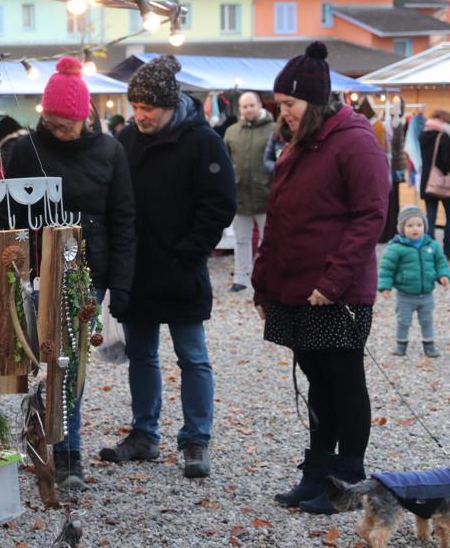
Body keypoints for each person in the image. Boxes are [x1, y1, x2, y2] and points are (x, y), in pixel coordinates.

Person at [253, 42, 390, 515]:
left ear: (313, 101)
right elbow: (281, 218)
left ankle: (348, 480)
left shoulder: (354, 140)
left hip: (337, 292)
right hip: (296, 288)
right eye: (280, 105)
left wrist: (332, 282)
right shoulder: (298, 147)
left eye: (288, 105)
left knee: (343, 379)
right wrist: (263, 282)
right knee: (317, 378)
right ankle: (318, 471)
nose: (282, 113)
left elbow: (370, 216)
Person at [0, 56, 136, 489]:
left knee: (68, 363)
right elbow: (8, 216)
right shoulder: (24, 150)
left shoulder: (110, 151)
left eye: (66, 124)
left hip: (86, 273)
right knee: (34, 358)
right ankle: (41, 436)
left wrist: (122, 285)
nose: (59, 131)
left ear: (84, 117)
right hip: (36, 269)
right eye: (52, 123)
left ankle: (67, 450)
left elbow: (124, 218)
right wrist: (0, 276)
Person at [99, 55, 236, 479]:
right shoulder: (127, 139)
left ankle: (196, 439)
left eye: (149, 110)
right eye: (136, 108)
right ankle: (145, 434)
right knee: (141, 354)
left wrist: (189, 252)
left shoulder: (203, 141)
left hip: (181, 269)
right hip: (136, 269)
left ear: (170, 106)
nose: (140, 116)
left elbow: (220, 204)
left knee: (192, 356)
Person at [378, 205, 449, 358]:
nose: (415, 228)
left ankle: (429, 344)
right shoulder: (396, 248)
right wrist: (385, 286)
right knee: (403, 320)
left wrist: (443, 275)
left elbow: (440, 262)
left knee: (427, 320)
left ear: (425, 226)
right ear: (402, 228)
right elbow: (386, 268)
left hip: (427, 295)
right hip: (405, 295)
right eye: (410, 225)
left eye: (419, 224)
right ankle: (401, 344)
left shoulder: (432, 246)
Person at [224, 92, 275, 292]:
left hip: (266, 194)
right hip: (240, 195)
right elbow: (225, 162)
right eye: (244, 106)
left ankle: (268, 277)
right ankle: (241, 277)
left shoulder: (274, 129)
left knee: (269, 240)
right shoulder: (231, 132)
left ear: (259, 105)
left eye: (251, 105)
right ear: (240, 109)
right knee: (241, 239)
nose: (248, 109)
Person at [418, 111, 450, 257]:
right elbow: (446, 161)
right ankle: (447, 250)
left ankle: (428, 251)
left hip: (428, 182)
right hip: (444, 184)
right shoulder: (444, 137)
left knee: (430, 218)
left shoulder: (422, 135)